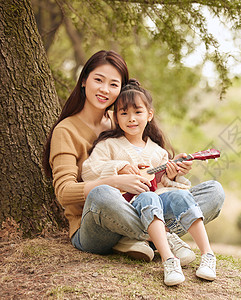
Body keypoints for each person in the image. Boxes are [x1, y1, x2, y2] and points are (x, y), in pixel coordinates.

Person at [42, 50, 224, 285]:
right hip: (96, 222)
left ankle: (143, 238)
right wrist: (114, 181)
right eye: (98, 80)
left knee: (214, 192)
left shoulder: (122, 120)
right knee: (102, 193)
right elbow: (64, 193)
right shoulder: (66, 130)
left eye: (113, 84)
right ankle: (162, 239)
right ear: (84, 81)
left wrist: (170, 170)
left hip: (141, 207)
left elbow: (151, 172)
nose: (105, 89)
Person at [81, 79, 217, 284]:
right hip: (123, 211)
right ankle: (165, 240)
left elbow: (164, 193)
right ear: (115, 117)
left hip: (152, 209)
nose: (131, 119)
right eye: (123, 113)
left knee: (208, 191)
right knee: (106, 194)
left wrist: (171, 176)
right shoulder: (108, 145)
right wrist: (119, 168)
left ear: (149, 114)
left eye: (137, 112)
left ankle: (203, 254)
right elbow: (89, 171)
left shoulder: (159, 152)